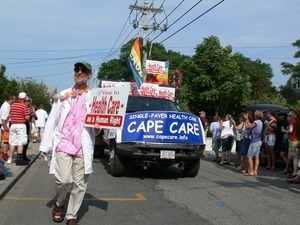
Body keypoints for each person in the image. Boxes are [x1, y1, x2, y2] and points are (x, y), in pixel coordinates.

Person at [39, 61, 102, 225]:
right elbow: (52, 120)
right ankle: (59, 203)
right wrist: (44, 146)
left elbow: (98, 127)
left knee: (79, 184)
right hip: (64, 143)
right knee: (63, 180)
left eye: (83, 70)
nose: (79, 72)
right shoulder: (64, 94)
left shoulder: (95, 97)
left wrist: (98, 128)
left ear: (89, 74)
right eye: (77, 69)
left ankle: (71, 215)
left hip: (83, 146)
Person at [8, 92, 30, 165]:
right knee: (21, 142)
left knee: (13, 142)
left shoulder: (13, 105)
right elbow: (27, 118)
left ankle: (10, 158)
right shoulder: (24, 106)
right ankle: (19, 159)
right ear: (24, 99)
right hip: (21, 125)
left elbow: (10, 115)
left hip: (13, 125)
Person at [244, 110, 263, 176]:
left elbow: (248, 127)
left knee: (249, 156)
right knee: (256, 156)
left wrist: (246, 120)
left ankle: (251, 171)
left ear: (256, 115)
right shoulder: (260, 122)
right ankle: (255, 171)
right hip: (259, 140)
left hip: (254, 141)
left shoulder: (256, 122)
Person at [281, 111, 299, 178]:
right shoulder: (298, 121)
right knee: (296, 156)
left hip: (293, 140)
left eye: (289, 115)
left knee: (294, 157)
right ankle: (295, 172)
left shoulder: (292, 121)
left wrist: (284, 131)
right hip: (298, 139)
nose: (288, 117)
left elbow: (290, 130)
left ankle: (294, 173)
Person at [0, 93, 16, 161]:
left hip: (5, 125)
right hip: (5, 126)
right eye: (14, 99)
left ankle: (4, 153)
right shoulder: (7, 106)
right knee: (6, 141)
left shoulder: (6, 105)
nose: (15, 100)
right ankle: (5, 153)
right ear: (11, 99)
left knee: (4, 141)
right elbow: (3, 118)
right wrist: (5, 127)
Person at [23, 96, 37, 161]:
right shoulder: (22, 106)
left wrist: (34, 115)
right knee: (20, 140)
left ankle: (24, 155)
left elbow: (36, 118)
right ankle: (20, 155)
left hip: (27, 124)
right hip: (21, 124)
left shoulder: (31, 108)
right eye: (26, 101)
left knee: (26, 140)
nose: (27, 102)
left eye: (28, 101)